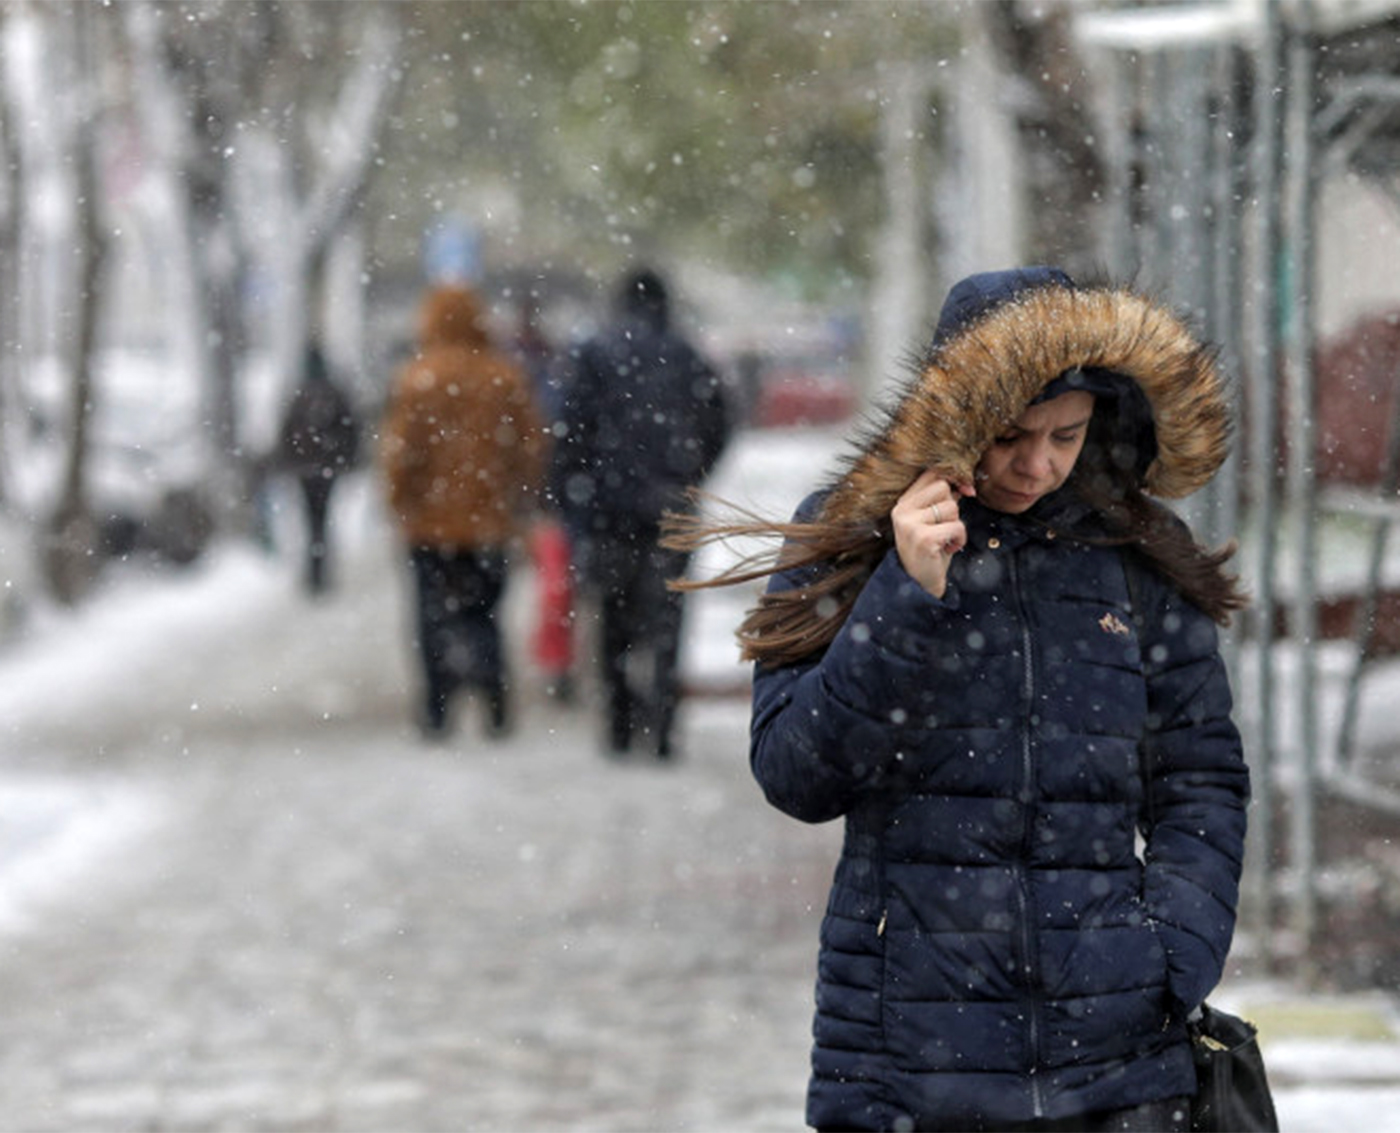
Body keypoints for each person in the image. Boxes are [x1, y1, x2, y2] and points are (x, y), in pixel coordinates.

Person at [665, 267, 1251, 1132]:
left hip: (1120, 1063)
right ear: (956, 412)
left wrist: (1172, 953)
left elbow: (1201, 779)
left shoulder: (1135, 557)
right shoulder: (854, 533)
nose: (1038, 463)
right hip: (906, 1059)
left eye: (1068, 434)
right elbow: (797, 773)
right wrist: (905, 594)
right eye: (1013, 432)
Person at [551, 266, 732, 759]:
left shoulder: (595, 354)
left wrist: (571, 493)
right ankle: (663, 727)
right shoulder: (688, 355)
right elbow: (719, 420)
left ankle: (619, 723)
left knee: (614, 615)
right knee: (668, 617)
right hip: (672, 506)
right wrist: (692, 475)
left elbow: (570, 431)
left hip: (610, 509)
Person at [381, 283, 546, 739]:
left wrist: (400, 503)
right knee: (485, 614)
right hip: (489, 524)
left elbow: (400, 453)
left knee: (429, 619)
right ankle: (494, 702)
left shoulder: (418, 378)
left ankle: (436, 710)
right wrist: (518, 496)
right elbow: (531, 448)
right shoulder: (504, 377)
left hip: (428, 529)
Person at [275, 342, 362, 594]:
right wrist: (346, 459)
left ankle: (314, 571)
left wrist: (289, 461)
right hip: (327, 469)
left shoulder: (299, 395)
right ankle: (321, 569)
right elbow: (350, 430)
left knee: (311, 519)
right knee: (322, 518)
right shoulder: (334, 393)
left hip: (305, 470)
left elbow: (286, 433)